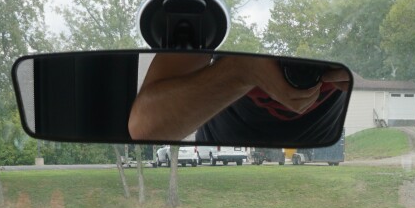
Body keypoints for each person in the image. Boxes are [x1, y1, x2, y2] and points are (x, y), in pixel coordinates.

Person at [127, 52, 350, 146]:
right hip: (218, 149)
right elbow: (146, 128)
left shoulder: (356, 11)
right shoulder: (215, 7)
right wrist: (242, 69)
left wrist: (356, 71)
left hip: (315, 150)